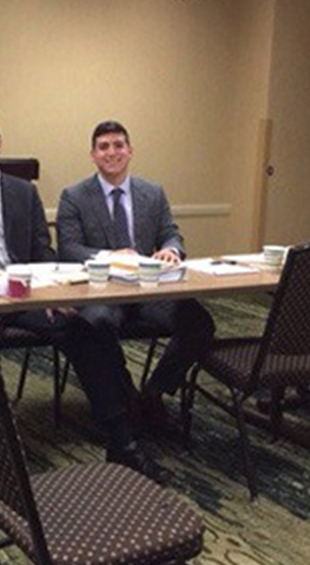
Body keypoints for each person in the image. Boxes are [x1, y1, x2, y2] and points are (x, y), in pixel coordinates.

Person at [0, 113, 156, 477]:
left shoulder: (23, 191)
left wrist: (53, 293)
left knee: (84, 327)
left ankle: (122, 439)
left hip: (24, 296)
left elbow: (43, 252)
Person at [56, 120, 215, 434]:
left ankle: (154, 394)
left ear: (130, 151)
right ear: (93, 155)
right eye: (104, 147)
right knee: (94, 326)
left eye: (118, 145)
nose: (111, 152)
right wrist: (109, 257)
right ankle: (125, 398)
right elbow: (68, 248)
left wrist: (171, 249)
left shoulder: (152, 193)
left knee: (199, 322)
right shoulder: (74, 196)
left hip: (148, 291)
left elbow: (172, 234)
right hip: (102, 292)